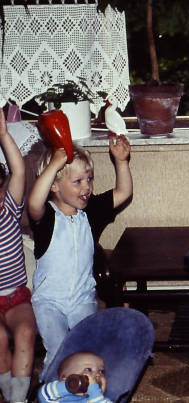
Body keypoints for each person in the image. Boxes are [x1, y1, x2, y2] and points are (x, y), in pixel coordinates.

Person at [27, 136, 132, 378]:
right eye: (77, 181)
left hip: (82, 297)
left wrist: (121, 161)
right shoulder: (47, 217)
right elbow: (33, 203)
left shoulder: (90, 211)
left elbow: (123, 192)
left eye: (89, 179)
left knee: (88, 347)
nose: (86, 187)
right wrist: (54, 165)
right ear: (54, 186)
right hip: (49, 302)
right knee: (59, 348)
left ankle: (88, 389)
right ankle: (52, 389)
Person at [0, 108, 37, 403]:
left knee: (25, 330)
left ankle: (18, 399)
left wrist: (3, 135)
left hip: (15, 296)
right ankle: (9, 391)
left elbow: (19, 170)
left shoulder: (9, 211)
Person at [38, 351, 111, 402]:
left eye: (101, 371)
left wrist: (95, 392)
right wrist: (72, 385)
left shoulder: (100, 399)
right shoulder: (58, 399)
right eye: (88, 369)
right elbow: (43, 395)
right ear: (65, 379)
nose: (97, 375)